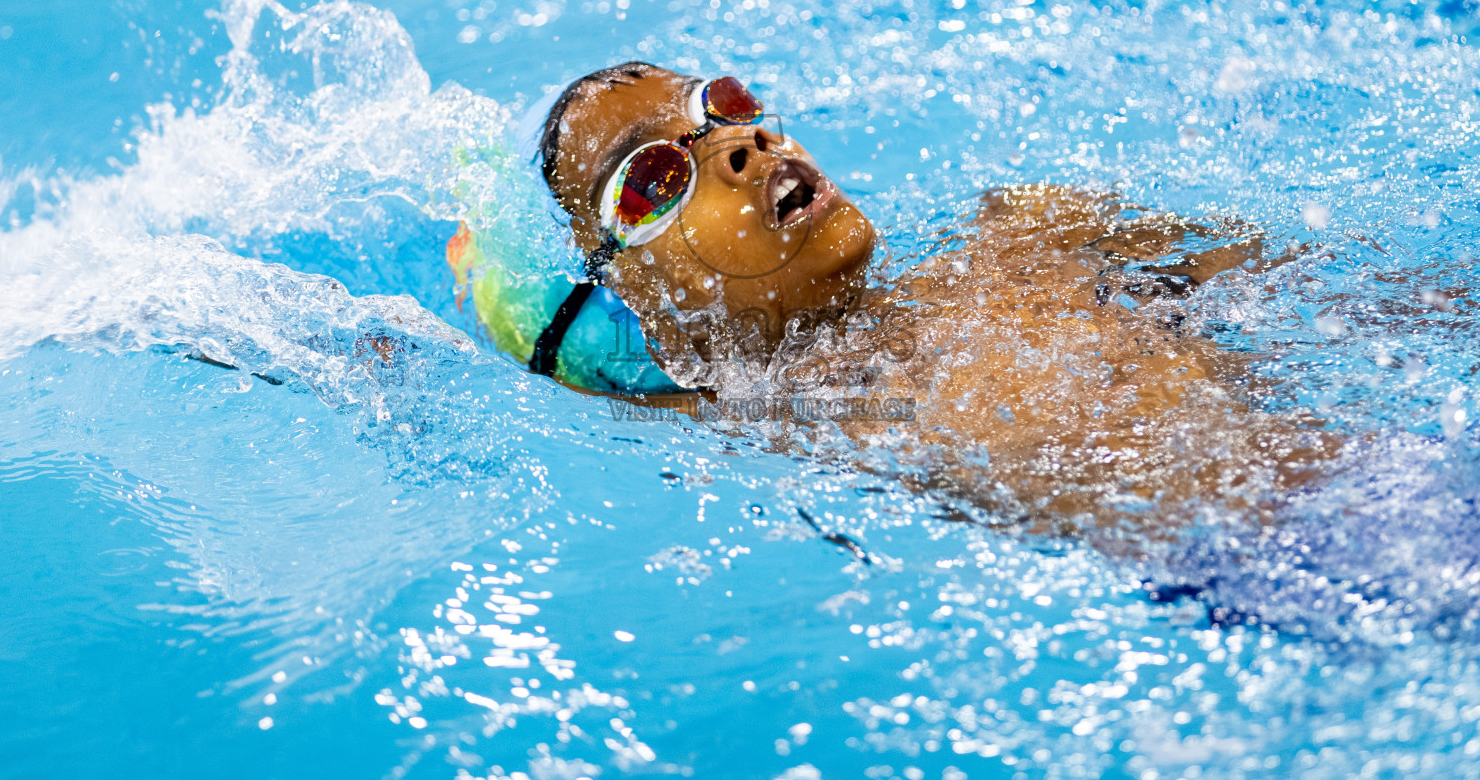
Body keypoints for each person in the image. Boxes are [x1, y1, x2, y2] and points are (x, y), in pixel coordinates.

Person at [447, 61, 1342, 545]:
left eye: (721, 105)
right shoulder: (776, 406)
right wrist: (508, 297)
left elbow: (1353, 290)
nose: (741, 142)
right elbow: (568, 362)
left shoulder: (1030, 233)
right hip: (1279, 571)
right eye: (654, 177)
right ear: (643, 294)